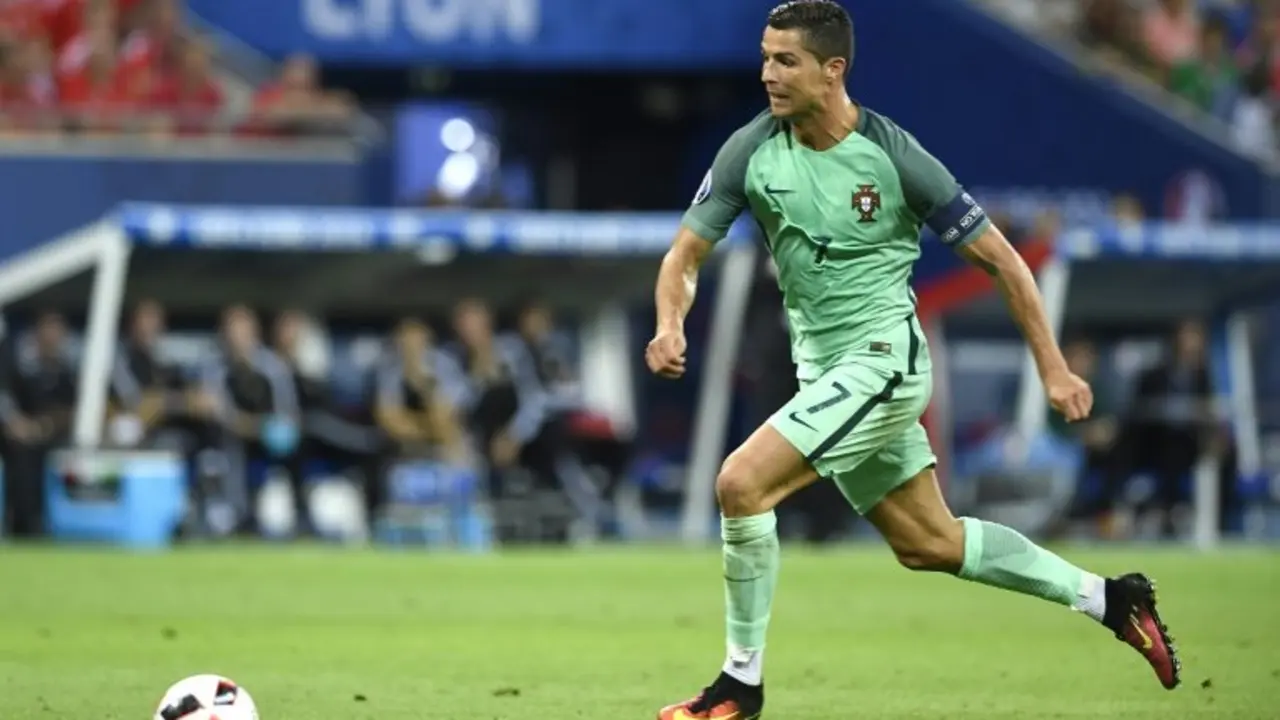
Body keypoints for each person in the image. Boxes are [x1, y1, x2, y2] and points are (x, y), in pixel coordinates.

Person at [645, 4, 1181, 718]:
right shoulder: (750, 151)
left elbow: (1005, 262)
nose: (768, 74)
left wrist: (1052, 366)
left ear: (834, 70)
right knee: (930, 542)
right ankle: (1110, 599)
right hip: (824, 372)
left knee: (740, 484)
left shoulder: (894, 157)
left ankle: (739, 684)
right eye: (766, 58)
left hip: (883, 364)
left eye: (786, 61)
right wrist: (669, 321)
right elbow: (685, 255)